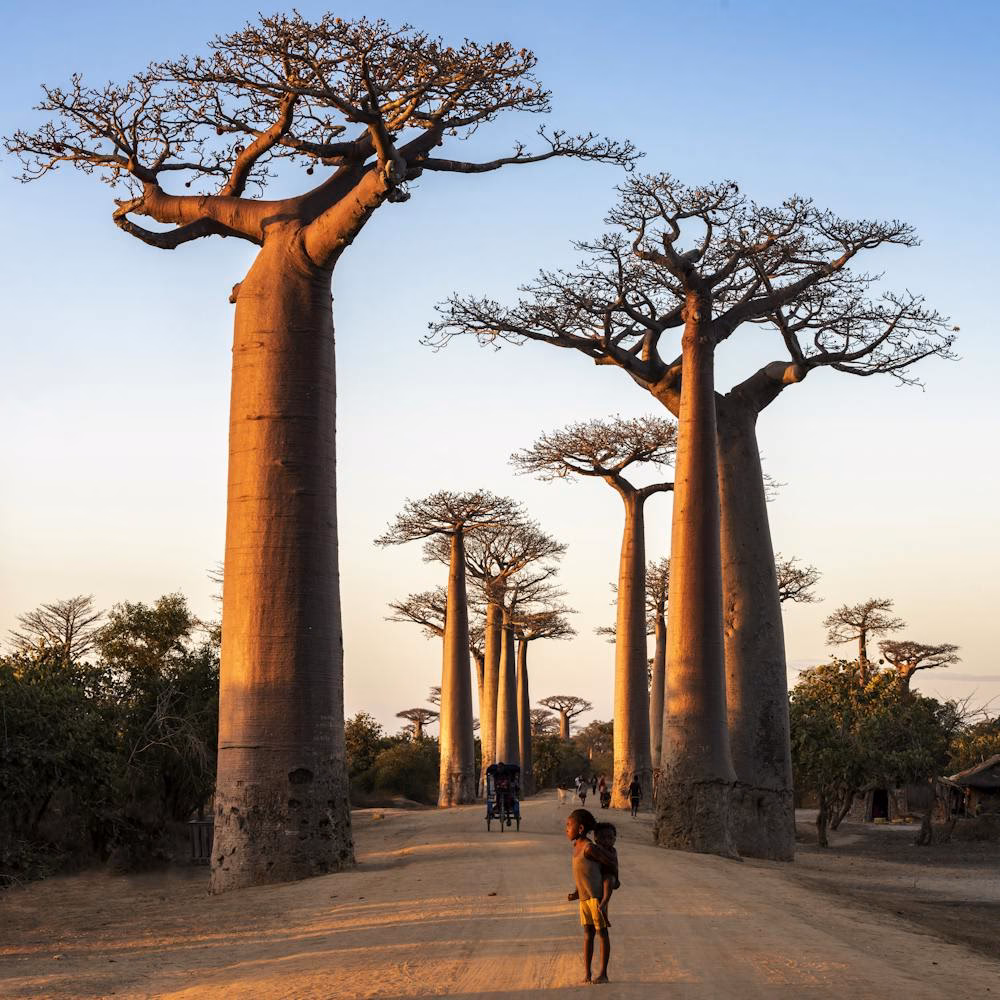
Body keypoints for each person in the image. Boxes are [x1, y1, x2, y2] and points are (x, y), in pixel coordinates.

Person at [565, 808, 614, 984]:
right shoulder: (576, 847)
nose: (566, 829)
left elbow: (609, 861)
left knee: (602, 934)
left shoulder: (589, 848)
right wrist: (576, 893)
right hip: (585, 899)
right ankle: (587, 973)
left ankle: (603, 974)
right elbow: (584, 875)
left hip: (597, 898)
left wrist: (613, 878)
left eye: (569, 825)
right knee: (588, 934)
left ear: (580, 829)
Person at [593, 822, 620, 925]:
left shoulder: (613, 850)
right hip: (597, 876)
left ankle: (604, 902)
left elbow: (614, 864)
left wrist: (617, 879)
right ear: (596, 838)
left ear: (614, 839)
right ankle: (604, 912)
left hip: (609, 874)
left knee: (608, 880)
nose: (606, 841)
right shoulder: (594, 849)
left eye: (610, 838)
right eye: (603, 838)